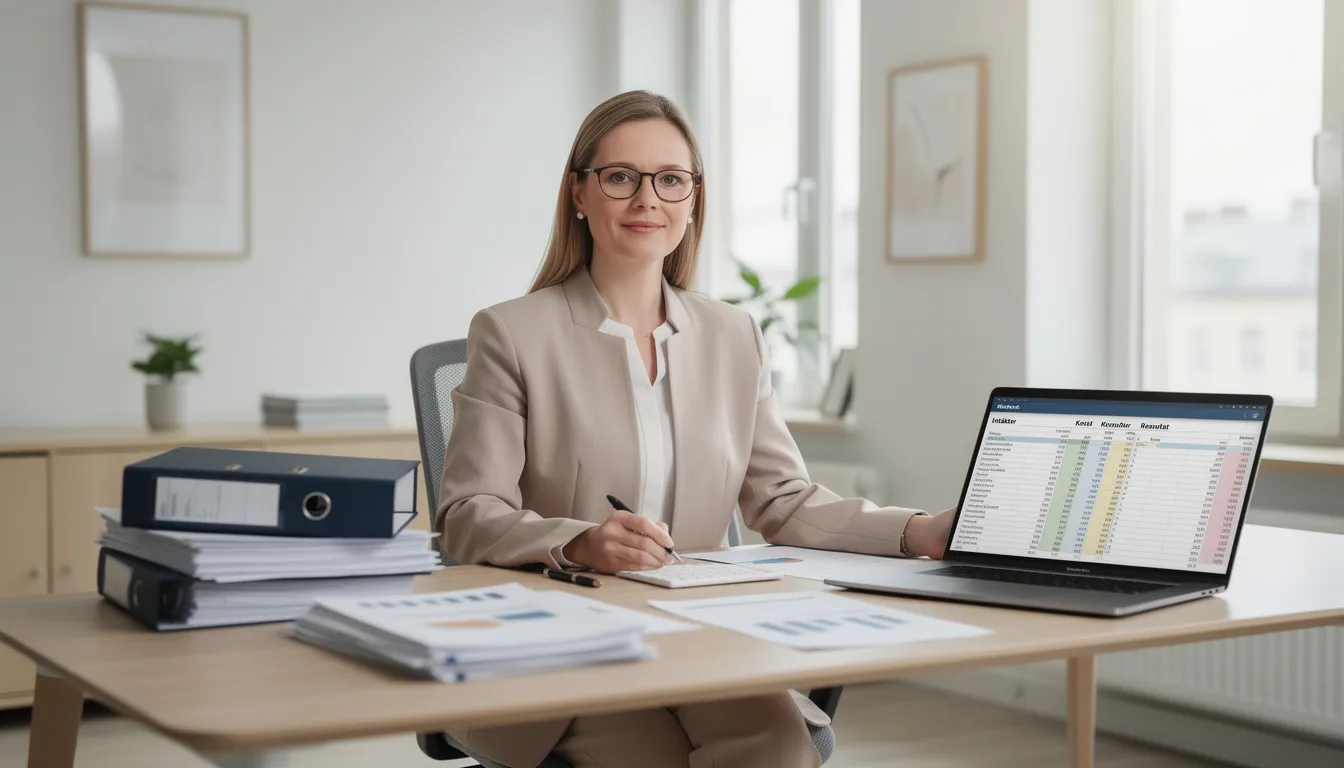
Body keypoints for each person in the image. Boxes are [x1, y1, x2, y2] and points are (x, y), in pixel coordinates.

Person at [436, 89, 956, 768]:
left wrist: (919, 532)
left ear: (693, 199)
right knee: (651, 756)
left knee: (778, 748)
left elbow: (783, 501)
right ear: (580, 193)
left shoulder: (733, 334)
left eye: (670, 180)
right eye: (621, 177)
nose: (647, 199)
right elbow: (468, 514)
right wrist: (580, 541)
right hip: (563, 639)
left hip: (699, 633)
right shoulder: (512, 332)